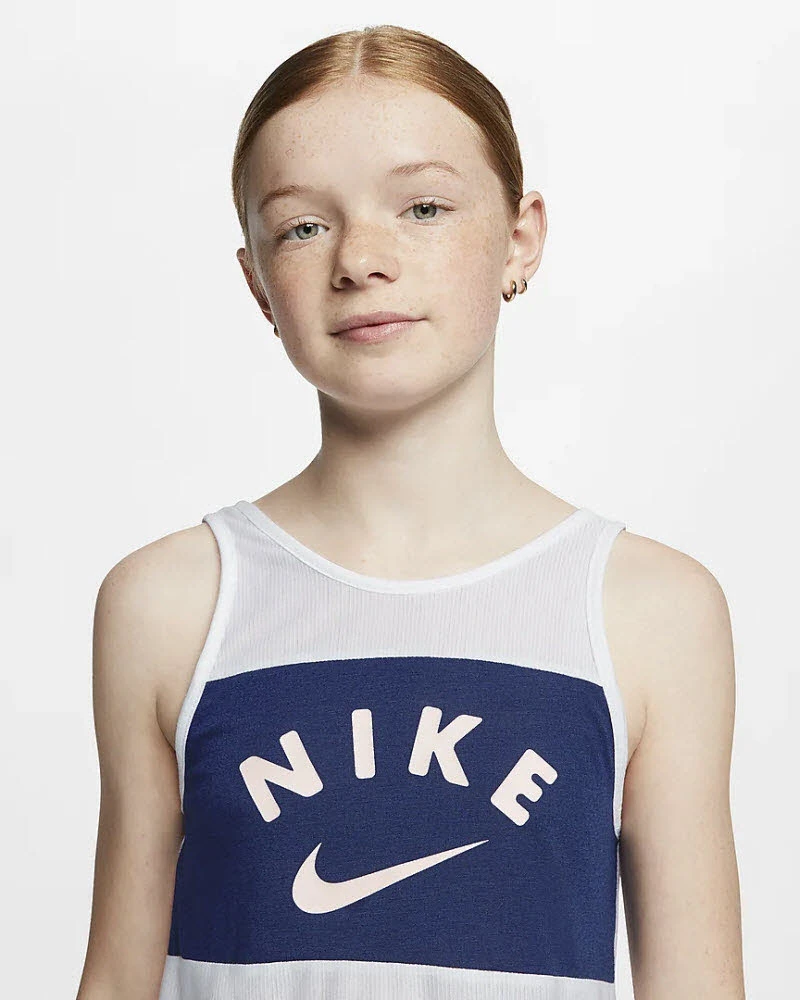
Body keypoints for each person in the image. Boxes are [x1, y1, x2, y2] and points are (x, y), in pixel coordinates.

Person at [76, 24, 746, 1000]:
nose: (361, 259)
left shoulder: (648, 610)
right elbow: (116, 979)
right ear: (257, 281)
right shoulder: (171, 602)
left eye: (423, 207)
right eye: (303, 226)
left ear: (519, 238)